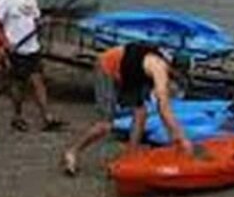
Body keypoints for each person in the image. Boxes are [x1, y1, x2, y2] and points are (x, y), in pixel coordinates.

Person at [60, 43, 193, 175]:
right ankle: (72, 152)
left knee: (141, 113)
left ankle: (130, 156)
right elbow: (164, 109)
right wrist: (181, 138)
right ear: (176, 70)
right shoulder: (159, 68)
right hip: (107, 67)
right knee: (105, 125)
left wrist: (176, 135)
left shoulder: (163, 60)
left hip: (129, 73)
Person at [0, 0, 61, 132]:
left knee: (38, 81)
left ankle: (47, 117)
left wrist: (42, 23)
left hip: (33, 47)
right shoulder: (5, 0)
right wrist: (6, 43)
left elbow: (36, 19)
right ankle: (17, 116)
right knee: (18, 85)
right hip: (17, 50)